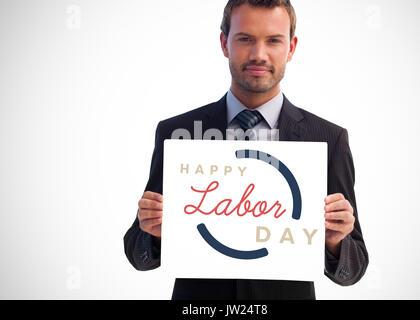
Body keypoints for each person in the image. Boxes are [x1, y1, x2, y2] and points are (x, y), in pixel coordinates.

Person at [124, 0, 368, 300]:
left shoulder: (328, 140)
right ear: (224, 43)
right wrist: (154, 231)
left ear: (290, 48)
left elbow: (354, 270)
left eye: (273, 41)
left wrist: (334, 243)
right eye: (245, 39)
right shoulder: (177, 135)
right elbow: (138, 255)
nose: (259, 55)